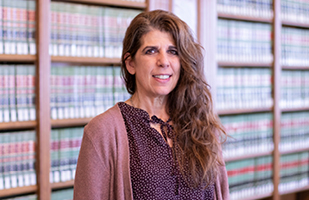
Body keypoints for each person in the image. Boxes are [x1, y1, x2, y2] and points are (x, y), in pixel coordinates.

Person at [74, 9, 229, 200]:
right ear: (131, 63)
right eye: (151, 51)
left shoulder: (201, 124)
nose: (163, 61)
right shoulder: (102, 131)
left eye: (173, 52)